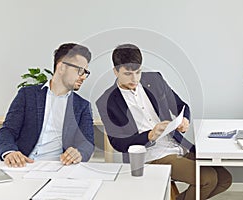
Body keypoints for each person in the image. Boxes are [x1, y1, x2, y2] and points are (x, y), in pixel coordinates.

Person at [96, 44, 232, 200]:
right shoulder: (106, 101)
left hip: (177, 145)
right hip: (151, 156)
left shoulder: (155, 80)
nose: (134, 78)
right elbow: (118, 143)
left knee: (224, 178)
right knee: (208, 179)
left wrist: (185, 119)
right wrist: (150, 135)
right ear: (115, 71)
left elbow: (182, 106)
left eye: (138, 72)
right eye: (128, 74)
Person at [0, 43, 94, 168]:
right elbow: (8, 131)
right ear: (61, 67)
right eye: (80, 70)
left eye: (86, 72)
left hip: (57, 168)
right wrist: (10, 152)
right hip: (22, 165)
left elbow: (87, 143)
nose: (83, 77)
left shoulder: (82, 106)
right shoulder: (27, 95)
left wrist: (79, 154)